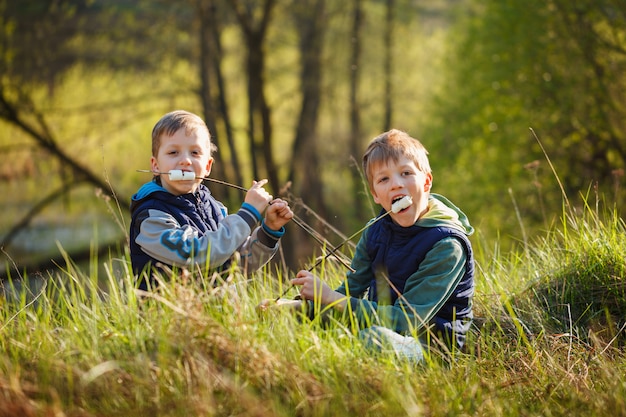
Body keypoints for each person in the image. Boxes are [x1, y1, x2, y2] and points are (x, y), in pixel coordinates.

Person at [264, 129, 474, 363]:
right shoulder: (375, 231)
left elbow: (407, 321)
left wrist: (332, 298)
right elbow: (349, 292)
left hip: (429, 347)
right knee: (287, 314)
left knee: (373, 339)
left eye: (406, 173)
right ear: (375, 194)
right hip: (377, 325)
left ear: (426, 182)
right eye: (384, 179)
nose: (396, 185)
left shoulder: (447, 245)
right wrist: (302, 305)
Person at [130, 110, 293, 290]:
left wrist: (268, 231)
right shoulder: (151, 217)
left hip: (216, 314)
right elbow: (197, 254)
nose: (185, 160)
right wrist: (248, 213)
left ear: (207, 166)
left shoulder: (214, 208)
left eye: (195, 152)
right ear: (155, 165)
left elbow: (237, 264)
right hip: (168, 315)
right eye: (173, 152)